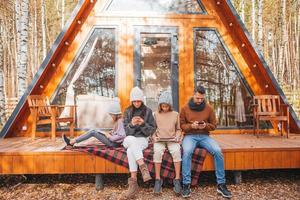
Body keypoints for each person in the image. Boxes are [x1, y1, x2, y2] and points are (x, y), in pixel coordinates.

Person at [180, 86, 232, 198]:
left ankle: (221, 185)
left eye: (202, 99)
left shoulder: (209, 108)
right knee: (187, 152)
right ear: (193, 94)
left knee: (218, 151)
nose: (199, 100)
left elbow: (213, 126)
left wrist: (206, 126)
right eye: (198, 98)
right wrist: (191, 126)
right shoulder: (185, 108)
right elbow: (182, 126)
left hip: (204, 136)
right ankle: (186, 184)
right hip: (190, 136)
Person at [122, 86, 156, 199]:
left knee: (131, 150)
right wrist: (131, 124)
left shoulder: (148, 111)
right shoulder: (127, 111)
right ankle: (143, 167)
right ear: (132, 100)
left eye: (139, 100)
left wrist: (142, 124)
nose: (137, 103)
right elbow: (126, 132)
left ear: (142, 100)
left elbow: (151, 130)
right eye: (134, 101)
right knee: (131, 140)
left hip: (142, 139)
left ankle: (133, 185)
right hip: (129, 138)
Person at [152, 91, 182, 195]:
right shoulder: (155, 114)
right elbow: (152, 129)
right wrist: (153, 137)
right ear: (160, 105)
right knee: (157, 152)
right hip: (160, 140)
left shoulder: (175, 114)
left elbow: (178, 129)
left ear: (170, 105)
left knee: (177, 151)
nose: (165, 108)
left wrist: (178, 136)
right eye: (163, 106)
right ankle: (157, 179)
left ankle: (177, 179)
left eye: (167, 106)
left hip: (172, 140)